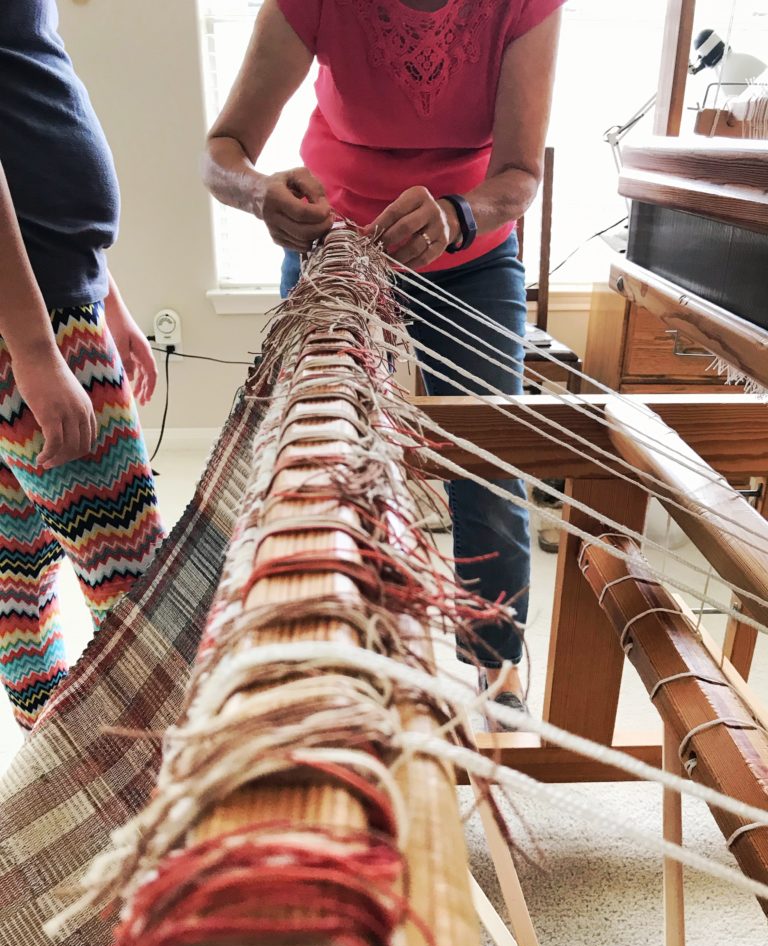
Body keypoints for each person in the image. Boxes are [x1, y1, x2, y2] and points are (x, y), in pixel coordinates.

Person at [203, 0, 564, 719]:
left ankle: (495, 670)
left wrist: (461, 216)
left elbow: (521, 174)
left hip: (470, 250)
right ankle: (328, 650)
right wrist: (258, 194)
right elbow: (222, 149)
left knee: (487, 464)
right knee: (312, 454)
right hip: (333, 244)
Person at [0, 0, 166, 730]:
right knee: (139, 599)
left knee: (17, 578)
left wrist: (108, 295)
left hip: (56, 298)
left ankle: (54, 789)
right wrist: (36, 350)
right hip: (32, 324)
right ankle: (171, 799)